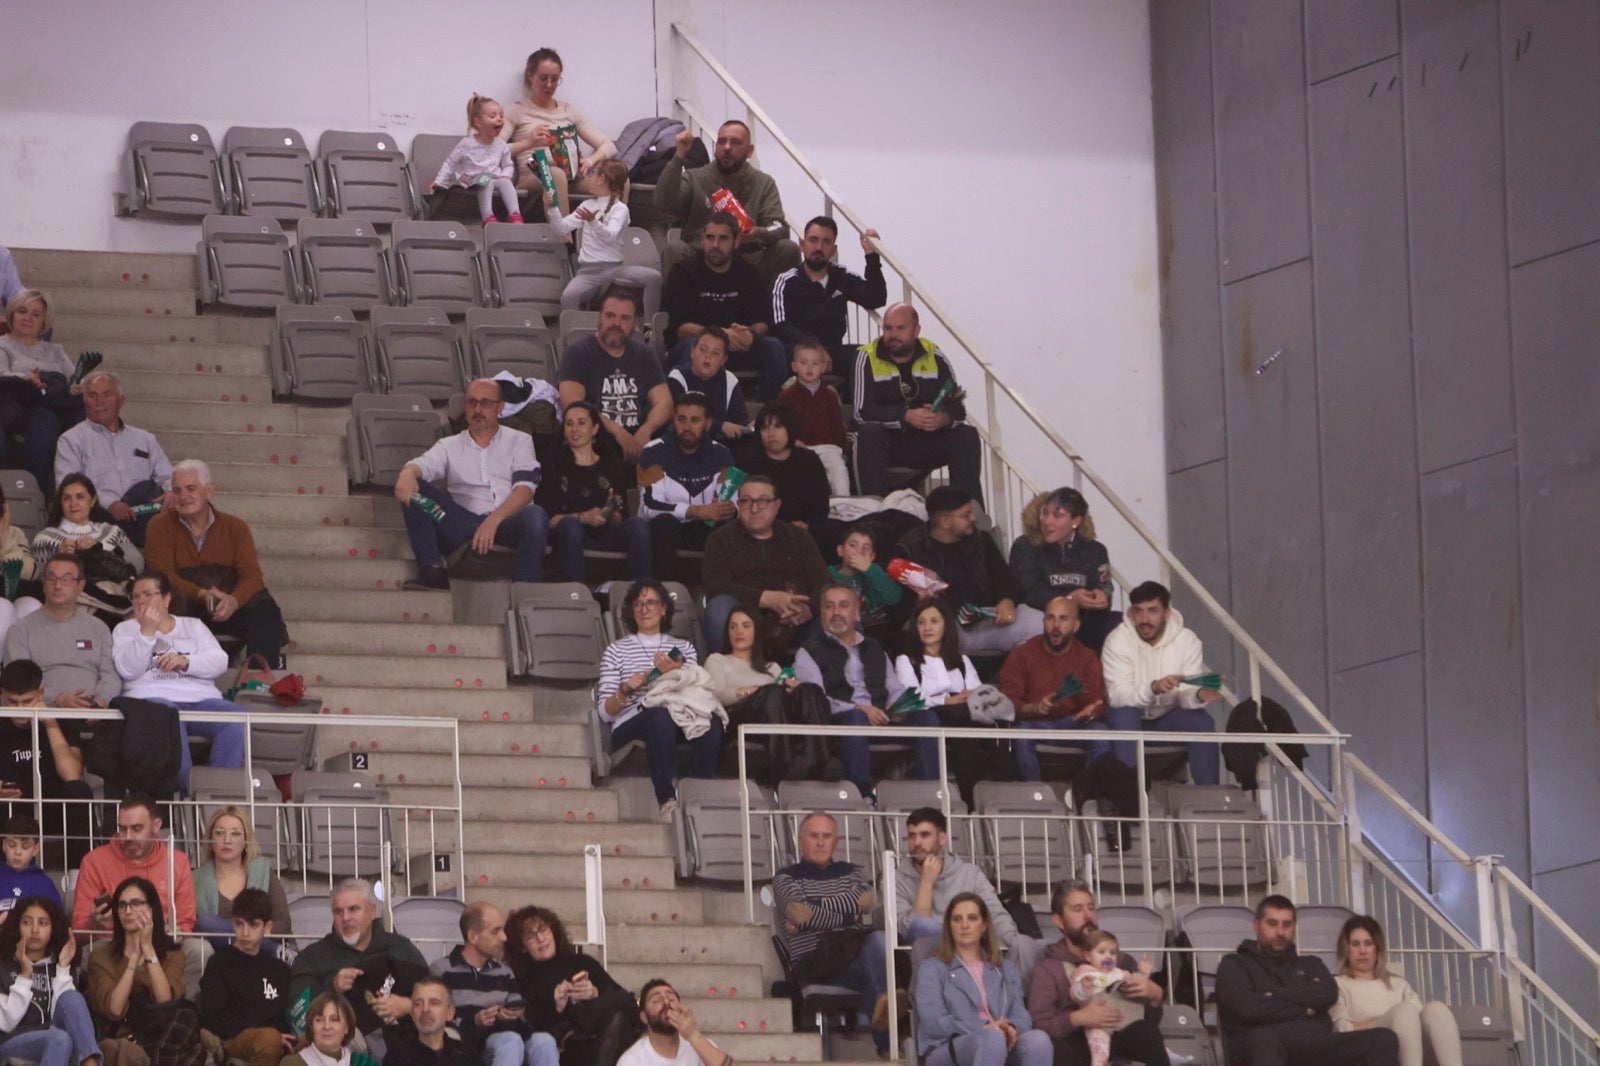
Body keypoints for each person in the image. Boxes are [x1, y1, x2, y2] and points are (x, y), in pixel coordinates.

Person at [394, 378, 549, 590]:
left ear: (500, 407)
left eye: (485, 403)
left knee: (536, 515)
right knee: (414, 488)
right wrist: (408, 472)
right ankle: (432, 570)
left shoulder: (520, 440)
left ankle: (525, 592)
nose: (477, 409)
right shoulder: (449, 445)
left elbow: (525, 490)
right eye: (472, 402)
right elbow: (423, 465)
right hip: (463, 526)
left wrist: (493, 521)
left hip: (507, 522)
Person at [792, 582, 940, 800]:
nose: (836, 613)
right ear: (822, 613)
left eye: (843, 606)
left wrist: (899, 708)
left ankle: (931, 793)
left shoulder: (874, 648)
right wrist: (861, 708)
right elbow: (816, 700)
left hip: (881, 717)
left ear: (856, 614)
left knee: (927, 718)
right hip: (842, 720)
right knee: (856, 718)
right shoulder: (808, 651)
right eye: (829, 607)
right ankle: (861, 796)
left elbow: (895, 689)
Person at [1215, 895, 1399, 1066]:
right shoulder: (1234, 965)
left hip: (1317, 1045)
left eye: (1287, 925)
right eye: (1272, 924)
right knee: (1264, 1038)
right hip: (1260, 1046)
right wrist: (1307, 1008)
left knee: (1383, 1038)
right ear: (1256, 925)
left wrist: (1273, 995)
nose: (1280, 932)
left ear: (1294, 927)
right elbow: (1248, 1009)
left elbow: (1328, 994)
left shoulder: (1312, 964)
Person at [143, 459, 289, 668]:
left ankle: (259, 681)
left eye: (191, 488)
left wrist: (234, 601)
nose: (183, 496)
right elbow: (162, 574)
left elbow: (252, 577)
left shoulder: (235, 527)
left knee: (266, 609)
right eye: (177, 490)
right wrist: (202, 595)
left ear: (209, 491)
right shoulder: (159, 525)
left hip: (225, 605)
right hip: (182, 605)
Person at [597, 580, 723, 821]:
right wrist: (624, 690)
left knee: (711, 722)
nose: (644, 609)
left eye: (651, 602)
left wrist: (675, 672)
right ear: (631, 612)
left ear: (664, 609)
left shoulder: (682, 647)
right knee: (659, 715)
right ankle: (667, 800)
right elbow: (605, 713)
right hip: (633, 719)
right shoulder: (616, 650)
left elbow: (695, 690)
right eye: (638, 604)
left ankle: (698, 795)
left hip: (680, 714)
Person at [112, 572, 249, 790]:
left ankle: (221, 792)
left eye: (147, 594)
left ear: (167, 599)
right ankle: (187, 789)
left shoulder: (193, 626)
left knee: (236, 717)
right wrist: (146, 633)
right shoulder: (124, 630)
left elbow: (220, 661)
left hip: (200, 700)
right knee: (169, 716)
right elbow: (128, 670)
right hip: (153, 700)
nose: (140, 601)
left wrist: (186, 662)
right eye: (135, 596)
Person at [772, 812, 889, 1054]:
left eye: (827, 836)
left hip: (851, 958)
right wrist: (848, 914)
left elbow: (867, 900)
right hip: (814, 962)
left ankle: (889, 1048)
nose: (820, 842)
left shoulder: (850, 872)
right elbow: (799, 913)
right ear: (801, 840)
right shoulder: (785, 877)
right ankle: (890, 1047)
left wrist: (814, 906)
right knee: (879, 970)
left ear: (836, 841)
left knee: (877, 948)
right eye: (814, 836)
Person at [1025, 879, 1167, 1066]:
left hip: (1120, 1033)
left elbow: (1148, 1020)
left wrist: (1155, 996)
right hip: (1075, 1043)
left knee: (1146, 1033)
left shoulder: (1121, 961)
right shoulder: (1048, 969)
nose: (1088, 916)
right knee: (1059, 1048)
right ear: (1058, 920)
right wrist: (1077, 1018)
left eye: (1091, 908)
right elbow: (1039, 1025)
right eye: (1077, 909)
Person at [851, 303, 981, 498]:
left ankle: (967, 513)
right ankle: (873, 511)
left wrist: (943, 418)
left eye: (900, 328)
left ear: (916, 330)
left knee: (967, 434)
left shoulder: (935, 356)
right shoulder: (866, 357)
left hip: (925, 439)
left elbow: (957, 409)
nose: (893, 335)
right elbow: (862, 413)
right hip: (887, 441)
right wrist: (906, 416)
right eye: (888, 328)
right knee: (868, 434)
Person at [1099, 580, 1222, 786]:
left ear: (1166, 613)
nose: (1144, 619)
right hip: (1131, 718)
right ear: (1131, 614)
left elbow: (1187, 692)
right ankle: (1127, 802)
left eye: (1152, 611)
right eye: (1138, 611)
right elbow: (1117, 696)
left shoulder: (1187, 640)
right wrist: (1152, 688)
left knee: (1201, 721)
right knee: (1124, 717)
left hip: (1167, 720)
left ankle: (1210, 800)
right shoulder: (1117, 640)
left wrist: (1198, 695)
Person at [895, 487, 1042, 655]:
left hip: (987, 620)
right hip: (944, 626)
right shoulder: (911, 549)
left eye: (971, 512)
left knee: (1038, 621)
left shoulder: (982, 540)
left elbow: (1006, 580)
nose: (973, 518)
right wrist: (921, 602)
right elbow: (898, 607)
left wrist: (1007, 601)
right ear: (945, 521)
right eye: (966, 515)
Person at [288, 878, 430, 1052]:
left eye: (354, 909)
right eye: (338, 912)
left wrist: (408, 1005)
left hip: (408, 1034)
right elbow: (298, 1015)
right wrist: (332, 988)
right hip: (354, 1043)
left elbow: (437, 995)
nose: (346, 918)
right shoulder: (312, 957)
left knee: (449, 1035)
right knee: (345, 1037)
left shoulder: (400, 948)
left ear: (371, 911)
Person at [895, 810, 1038, 983]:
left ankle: (1017, 1003)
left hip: (973, 947)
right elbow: (909, 928)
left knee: (1024, 943)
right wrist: (926, 882)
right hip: (925, 954)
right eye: (911, 836)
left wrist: (1011, 940)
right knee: (924, 925)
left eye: (924, 835)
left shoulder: (969, 873)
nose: (916, 843)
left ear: (942, 839)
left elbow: (994, 911)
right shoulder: (896, 878)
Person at [912, 893, 1052, 1066]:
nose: (964, 925)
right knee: (992, 1039)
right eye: (957, 919)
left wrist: (1011, 1028)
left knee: (1039, 1040)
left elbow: (1021, 1015)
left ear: (984, 925)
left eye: (972, 918)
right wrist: (985, 1028)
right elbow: (934, 1022)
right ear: (949, 926)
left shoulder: (1005, 968)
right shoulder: (932, 968)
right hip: (949, 1047)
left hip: (1000, 1040)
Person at [703, 606, 835, 786]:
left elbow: (784, 697)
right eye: (733, 627)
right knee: (771, 692)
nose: (738, 632)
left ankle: (819, 760)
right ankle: (783, 762)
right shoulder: (717, 660)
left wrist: (793, 690)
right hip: (736, 718)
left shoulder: (771, 667)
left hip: (774, 714)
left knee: (809, 690)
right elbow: (717, 695)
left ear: (757, 631)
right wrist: (752, 690)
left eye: (745, 626)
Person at [661, 213, 786, 401]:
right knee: (689, 346)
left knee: (773, 346)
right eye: (710, 238)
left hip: (736, 346)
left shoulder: (749, 274)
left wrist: (750, 334)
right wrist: (719, 335)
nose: (715, 245)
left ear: (736, 242)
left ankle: (771, 414)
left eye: (723, 238)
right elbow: (680, 329)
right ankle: (688, 411)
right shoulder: (683, 272)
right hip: (697, 345)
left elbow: (763, 322)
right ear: (702, 239)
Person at [702, 475, 829, 658]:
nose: (754, 509)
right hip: (744, 622)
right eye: (746, 501)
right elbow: (716, 586)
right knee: (719, 607)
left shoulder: (798, 537)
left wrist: (809, 609)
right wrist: (766, 598)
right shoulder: (720, 539)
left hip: (796, 623)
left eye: (763, 501)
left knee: (838, 612)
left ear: (777, 506)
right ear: (738, 504)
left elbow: (824, 584)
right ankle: (724, 673)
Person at [654, 121, 799, 280]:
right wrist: (679, 156)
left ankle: (777, 304)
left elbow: (780, 228)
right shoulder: (695, 176)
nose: (727, 147)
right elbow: (662, 203)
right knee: (673, 249)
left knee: (788, 249)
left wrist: (757, 233)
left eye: (735, 142)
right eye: (722, 142)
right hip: (702, 256)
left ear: (749, 151)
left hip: (747, 258)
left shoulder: (764, 183)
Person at [536, 400, 651, 585]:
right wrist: (582, 517)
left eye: (581, 423)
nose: (574, 429)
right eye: (569, 423)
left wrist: (612, 513)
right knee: (571, 525)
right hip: (567, 536)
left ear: (595, 428)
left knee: (637, 525)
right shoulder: (553, 465)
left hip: (605, 535)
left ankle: (643, 590)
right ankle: (577, 595)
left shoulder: (612, 466)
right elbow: (548, 519)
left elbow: (619, 519)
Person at [53, 370, 172, 547]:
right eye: (92, 396)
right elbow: (66, 487)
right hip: (100, 518)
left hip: (144, 515)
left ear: (121, 401)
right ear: (84, 401)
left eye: (106, 395)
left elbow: (168, 475)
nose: (99, 402)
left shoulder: (145, 439)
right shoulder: (71, 440)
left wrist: (171, 492)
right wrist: (108, 503)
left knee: (158, 494)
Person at [505, 906, 636, 1066]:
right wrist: (558, 1006)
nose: (540, 938)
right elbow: (533, 1026)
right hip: (564, 1042)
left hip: (598, 1030)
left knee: (621, 1012)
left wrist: (595, 992)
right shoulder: (523, 978)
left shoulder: (582, 961)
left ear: (553, 931)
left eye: (543, 929)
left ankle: (582, 1013)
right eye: (531, 936)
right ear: (523, 946)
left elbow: (623, 998)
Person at [998, 596, 1110, 783]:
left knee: (1101, 734)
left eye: (1063, 618)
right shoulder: (1022, 654)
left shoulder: (1087, 658)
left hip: (1072, 724)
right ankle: (1035, 795)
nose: (1055, 625)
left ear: (1076, 626)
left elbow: (1095, 702)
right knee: (1021, 733)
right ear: (1043, 622)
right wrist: (1034, 708)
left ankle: (1084, 793)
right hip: (1034, 724)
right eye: (1050, 618)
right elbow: (1007, 702)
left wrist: (1091, 712)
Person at [432, 902, 559, 1066]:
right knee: (510, 1041)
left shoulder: (504, 972)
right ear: (473, 937)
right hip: (468, 1044)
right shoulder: (442, 969)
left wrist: (517, 1014)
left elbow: (518, 1007)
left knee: (544, 1041)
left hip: (505, 1034)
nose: (504, 937)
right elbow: (436, 1017)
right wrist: (475, 1021)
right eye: (495, 931)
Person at [557, 289, 673, 464]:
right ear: (599, 319)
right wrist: (618, 432)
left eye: (625, 318)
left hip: (640, 436)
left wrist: (646, 430)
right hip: (598, 438)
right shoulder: (578, 353)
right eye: (610, 316)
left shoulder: (644, 354)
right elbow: (573, 405)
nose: (616, 324)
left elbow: (665, 402)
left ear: (634, 324)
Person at [1332, 916, 1463, 1066]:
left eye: (1369, 944)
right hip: (1368, 1048)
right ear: (1346, 949)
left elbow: (1420, 1021)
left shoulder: (1398, 983)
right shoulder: (1338, 984)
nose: (1362, 951)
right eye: (1355, 944)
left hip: (1413, 1047)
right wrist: (1388, 1021)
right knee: (1404, 1011)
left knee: (1436, 1009)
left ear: (1377, 948)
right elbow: (1343, 1030)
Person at [894, 597, 987, 804]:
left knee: (967, 728)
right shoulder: (906, 660)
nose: (927, 627)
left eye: (934, 621)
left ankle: (970, 800)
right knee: (936, 718)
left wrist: (960, 699)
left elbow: (976, 693)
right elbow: (913, 700)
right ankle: (932, 794)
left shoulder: (962, 661)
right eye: (921, 622)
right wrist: (947, 700)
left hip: (958, 719)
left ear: (946, 625)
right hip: (922, 718)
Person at [636, 394, 735, 586]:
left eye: (695, 420)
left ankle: (720, 595)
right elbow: (649, 505)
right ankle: (664, 593)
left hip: (705, 528)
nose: (687, 427)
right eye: (681, 419)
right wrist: (696, 511)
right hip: (666, 530)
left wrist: (731, 508)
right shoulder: (652, 451)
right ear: (674, 420)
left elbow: (731, 497)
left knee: (727, 525)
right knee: (665, 522)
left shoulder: (722, 454)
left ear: (707, 424)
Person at [0, 662, 93, 867]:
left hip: (54, 810)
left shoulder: (63, 720)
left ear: (40, 693)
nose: (21, 709)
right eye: (13, 702)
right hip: (11, 813)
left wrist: (50, 723)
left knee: (79, 790)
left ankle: (79, 873)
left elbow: (72, 774)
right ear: (3, 694)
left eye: (27, 701)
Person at [770, 217, 887, 375]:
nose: (819, 247)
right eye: (813, 240)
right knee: (775, 351)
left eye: (826, 242)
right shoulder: (786, 280)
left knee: (865, 356)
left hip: (832, 351)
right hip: (797, 350)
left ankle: (846, 398)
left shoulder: (842, 276)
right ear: (802, 245)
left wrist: (871, 255)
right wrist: (815, 350)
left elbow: (876, 298)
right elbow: (780, 325)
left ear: (833, 249)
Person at [549, 158, 662, 320]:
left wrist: (592, 221)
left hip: (614, 269)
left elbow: (610, 237)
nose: (587, 177)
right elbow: (560, 228)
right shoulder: (586, 204)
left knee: (654, 277)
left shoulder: (620, 209)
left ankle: (650, 326)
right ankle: (575, 333)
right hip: (588, 273)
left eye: (591, 173)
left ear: (602, 179)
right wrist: (552, 206)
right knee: (568, 297)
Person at [71, 794, 197, 939]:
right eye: (123, 829)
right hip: (112, 944)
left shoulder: (178, 861)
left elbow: (186, 923)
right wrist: (93, 925)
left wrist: (176, 932)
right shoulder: (93, 861)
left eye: (137, 828)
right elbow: (79, 927)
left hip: (162, 941)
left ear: (156, 826)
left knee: (200, 950)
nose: (128, 836)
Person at [504, 48, 620, 206]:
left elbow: (610, 146)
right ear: (530, 76)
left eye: (555, 79)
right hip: (534, 176)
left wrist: (590, 161)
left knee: (616, 178)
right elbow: (493, 150)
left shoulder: (568, 111)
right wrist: (528, 143)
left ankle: (611, 229)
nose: (549, 85)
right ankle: (563, 231)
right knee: (556, 174)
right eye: (543, 79)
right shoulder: (516, 111)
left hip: (571, 176)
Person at [1009, 489, 1119, 655]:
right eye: (1044, 513)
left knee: (1122, 624)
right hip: (1043, 620)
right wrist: (1070, 599)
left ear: (1076, 521)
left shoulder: (1095, 550)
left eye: (1057, 516)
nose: (1047, 521)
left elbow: (1105, 588)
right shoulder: (1025, 546)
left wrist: (1100, 596)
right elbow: (1028, 592)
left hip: (1083, 621)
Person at [3, 555, 119, 711]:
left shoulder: (98, 628)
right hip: (42, 714)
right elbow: (17, 684)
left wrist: (99, 701)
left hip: (94, 714)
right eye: (51, 579)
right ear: (43, 584)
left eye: (66, 579)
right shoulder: (21, 630)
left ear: (81, 585)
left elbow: (111, 675)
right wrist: (57, 698)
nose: (58, 586)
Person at [84, 876, 192, 1042]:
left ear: (151, 909)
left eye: (135, 904)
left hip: (164, 1030)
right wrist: (133, 959)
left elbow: (164, 1001)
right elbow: (115, 1010)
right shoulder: (100, 957)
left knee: (182, 1022)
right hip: (125, 1036)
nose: (128, 911)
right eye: (122, 905)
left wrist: (148, 949)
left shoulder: (173, 956)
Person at [198, 887, 295, 1066]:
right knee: (269, 1039)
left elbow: (285, 1015)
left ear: (267, 927)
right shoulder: (219, 963)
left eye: (253, 925)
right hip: (234, 1040)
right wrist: (269, 1035)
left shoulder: (280, 969)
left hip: (277, 1038)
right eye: (239, 923)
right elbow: (213, 1018)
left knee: (311, 1045)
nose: (245, 932)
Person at [0, 290, 84, 495]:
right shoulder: (3, 344)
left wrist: (80, 382)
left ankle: (45, 495)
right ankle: (24, 494)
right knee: (43, 419)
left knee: (60, 418)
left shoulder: (55, 350)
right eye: (23, 311)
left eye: (36, 314)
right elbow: (2, 373)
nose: (28, 318)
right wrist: (29, 379)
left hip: (51, 404)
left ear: (44, 321)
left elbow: (73, 377)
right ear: (12, 315)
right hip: (16, 405)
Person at [31, 473, 143, 626]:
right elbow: (38, 578)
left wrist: (98, 551)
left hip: (119, 598)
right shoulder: (45, 538)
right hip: (75, 604)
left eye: (80, 497)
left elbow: (136, 566)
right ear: (60, 504)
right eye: (67, 498)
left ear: (93, 500)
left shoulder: (112, 532)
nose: (73, 503)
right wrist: (59, 557)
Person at [0, 894, 98, 1066]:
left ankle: (91, 1063)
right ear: (17, 926)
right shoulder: (3, 965)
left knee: (71, 999)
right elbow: (6, 1023)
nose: (35, 930)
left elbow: (65, 1016)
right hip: (11, 1042)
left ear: (53, 928)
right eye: (27, 922)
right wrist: (24, 974)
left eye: (43, 923)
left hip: (57, 1037)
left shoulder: (58, 967)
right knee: (59, 1038)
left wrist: (62, 968)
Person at [739, 405, 837, 552]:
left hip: (802, 532)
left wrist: (807, 526)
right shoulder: (748, 460)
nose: (771, 434)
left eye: (778, 427)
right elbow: (740, 503)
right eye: (765, 428)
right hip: (758, 530)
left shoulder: (809, 460)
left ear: (790, 429)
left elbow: (821, 506)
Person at [193, 805, 291, 939]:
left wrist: (257, 939)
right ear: (210, 840)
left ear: (246, 841)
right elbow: (192, 926)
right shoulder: (195, 879)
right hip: (217, 952)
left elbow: (283, 922)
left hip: (259, 949)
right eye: (220, 832)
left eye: (235, 833)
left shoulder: (262, 871)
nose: (227, 840)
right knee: (207, 923)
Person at [771, 339, 850, 494]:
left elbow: (837, 428)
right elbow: (781, 425)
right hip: (799, 448)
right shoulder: (786, 396)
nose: (809, 367)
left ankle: (844, 505)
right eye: (803, 362)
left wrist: (841, 449)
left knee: (839, 471)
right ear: (794, 366)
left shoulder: (830, 396)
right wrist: (791, 442)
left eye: (815, 363)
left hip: (828, 449)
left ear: (823, 367)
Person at [433, 95, 522, 226]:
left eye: (501, 116)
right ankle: (487, 217)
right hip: (470, 180)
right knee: (486, 181)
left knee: (506, 183)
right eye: (493, 116)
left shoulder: (501, 144)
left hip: (494, 177)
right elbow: (450, 163)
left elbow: (508, 165)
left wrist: (505, 175)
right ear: (478, 123)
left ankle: (515, 215)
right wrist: (440, 181)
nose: (499, 119)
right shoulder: (467, 144)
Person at [665, 328, 749, 448]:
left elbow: (740, 421)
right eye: (703, 350)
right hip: (684, 446)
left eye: (715, 353)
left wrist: (750, 426)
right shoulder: (677, 377)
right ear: (692, 352)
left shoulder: (730, 380)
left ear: (724, 360)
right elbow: (679, 421)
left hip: (721, 449)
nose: (708, 356)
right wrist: (720, 426)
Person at [615, 980, 727, 1066]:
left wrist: (693, 1035)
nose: (666, 1001)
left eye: (671, 997)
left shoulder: (700, 1046)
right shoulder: (633, 1061)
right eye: (656, 1000)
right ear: (644, 1017)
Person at [828, 523, 903, 645]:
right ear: (841, 550)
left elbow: (894, 597)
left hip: (873, 631)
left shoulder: (874, 575)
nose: (859, 552)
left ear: (872, 556)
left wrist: (870, 569)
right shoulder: (828, 575)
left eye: (865, 548)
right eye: (853, 545)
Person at [385, 977, 472, 1066]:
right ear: (412, 1013)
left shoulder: (466, 1056)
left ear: (449, 1013)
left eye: (434, 1002)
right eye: (418, 1003)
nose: (425, 1009)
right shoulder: (397, 1058)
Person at [279, 992, 377, 1066]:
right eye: (319, 1020)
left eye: (334, 1020)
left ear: (347, 1027)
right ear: (311, 1027)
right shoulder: (292, 1064)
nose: (326, 1026)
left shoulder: (362, 1063)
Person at [0, 480, 40, 644]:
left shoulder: (15, 533)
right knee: (3, 608)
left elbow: (30, 572)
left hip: (14, 594)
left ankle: (25, 667)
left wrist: (3, 538)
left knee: (32, 606)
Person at [0, 817, 62, 911]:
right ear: (3, 845)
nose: (18, 852)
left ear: (35, 849)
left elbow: (59, 921)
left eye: (25, 847)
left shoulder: (44, 884)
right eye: (12, 845)